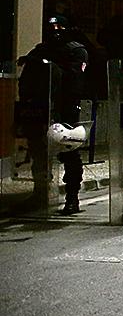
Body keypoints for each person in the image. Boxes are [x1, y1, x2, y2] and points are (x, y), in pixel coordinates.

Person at [17, 15, 89, 215]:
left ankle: (72, 197)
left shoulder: (76, 50)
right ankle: (40, 193)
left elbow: (75, 81)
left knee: (69, 149)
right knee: (38, 152)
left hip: (66, 107)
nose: (55, 31)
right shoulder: (40, 50)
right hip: (40, 107)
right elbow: (26, 79)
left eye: (59, 27)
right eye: (51, 27)